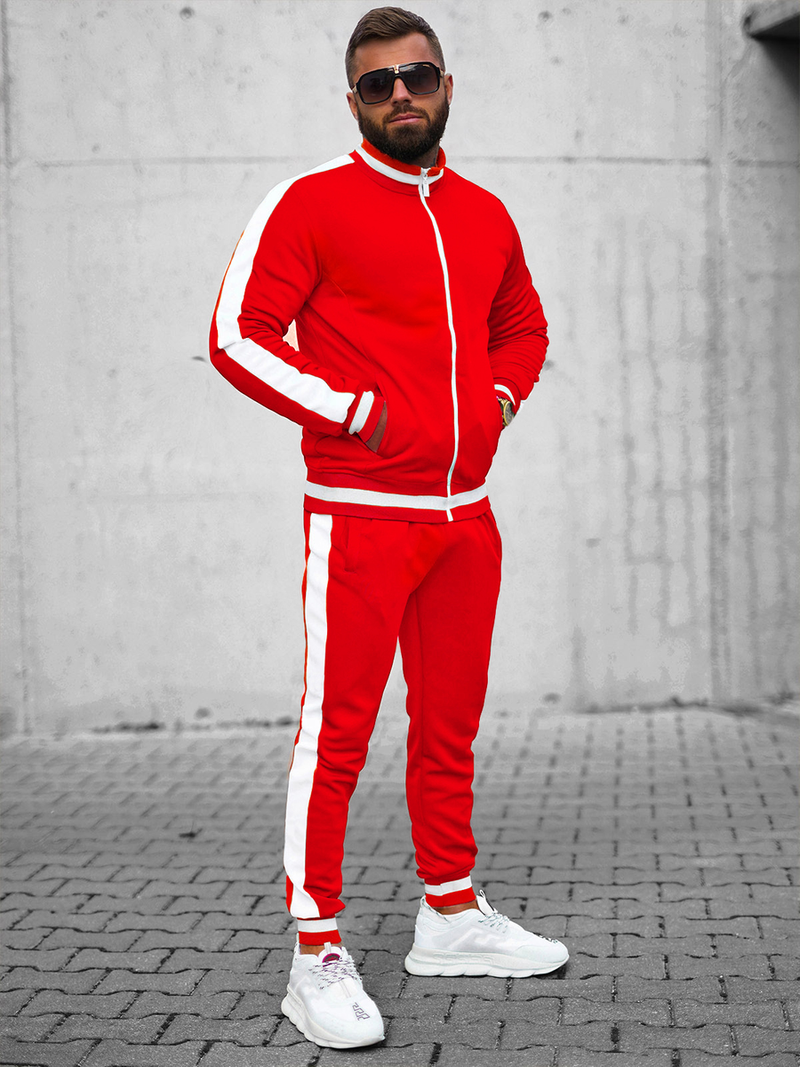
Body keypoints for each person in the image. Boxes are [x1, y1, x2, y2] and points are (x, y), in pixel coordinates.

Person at [210, 5, 568, 1050]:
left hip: (465, 518)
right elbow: (236, 334)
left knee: (449, 726)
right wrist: (355, 412)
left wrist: (496, 400)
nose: (400, 93)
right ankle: (314, 952)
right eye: (378, 82)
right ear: (354, 99)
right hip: (362, 516)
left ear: (447, 85)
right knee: (337, 738)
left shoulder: (485, 213)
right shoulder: (311, 203)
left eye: (417, 75)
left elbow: (522, 323)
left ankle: (449, 915)